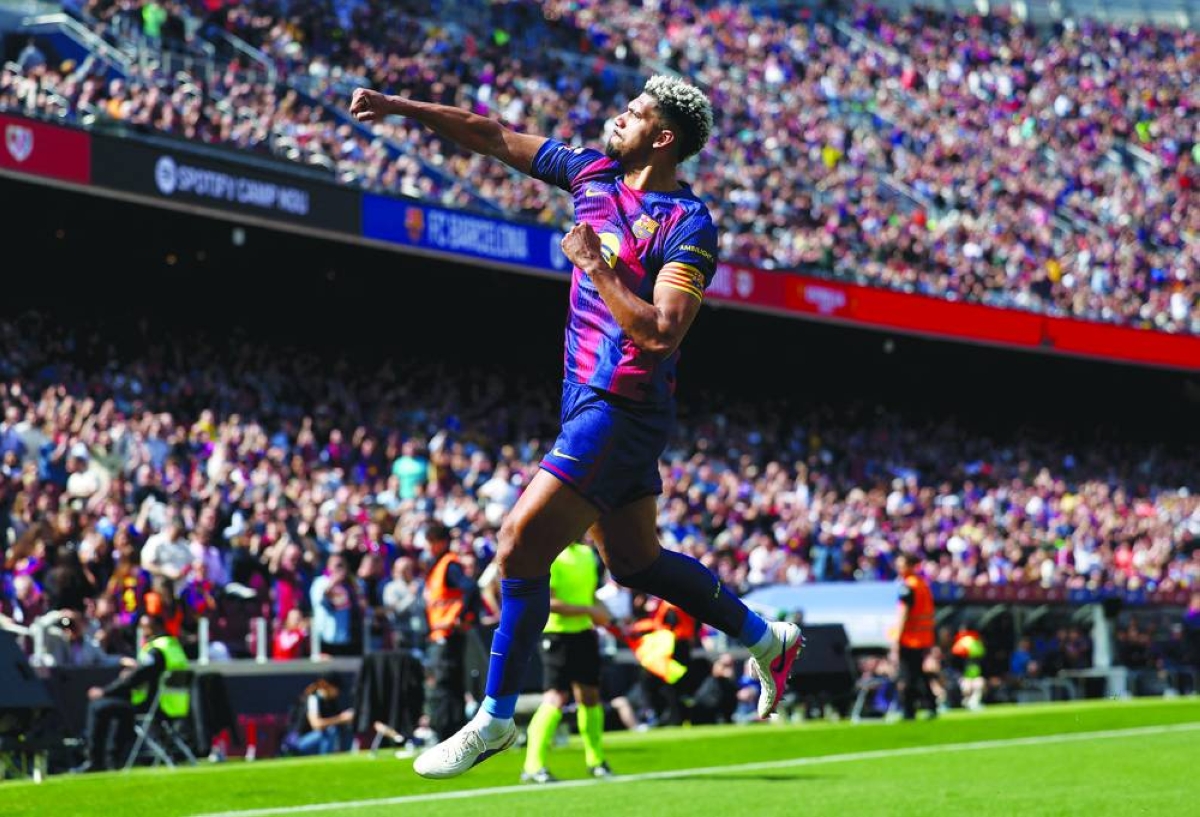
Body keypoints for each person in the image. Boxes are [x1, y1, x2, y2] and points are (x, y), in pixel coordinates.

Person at [351, 73, 804, 780]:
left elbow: (661, 334)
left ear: (663, 137)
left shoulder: (687, 224)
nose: (617, 117)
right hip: (588, 402)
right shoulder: (590, 173)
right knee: (635, 562)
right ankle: (765, 636)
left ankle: (495, 718)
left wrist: (596, 267)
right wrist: (399, 106)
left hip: (621, 405)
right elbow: (492, 135)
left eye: (635, 113)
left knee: (517, 546)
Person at [521, 541, 612, 784]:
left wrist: (605, 613)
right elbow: (548, 601)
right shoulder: (550, 555)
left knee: (590, 696)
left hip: (584, 634)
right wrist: (589, 610)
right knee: (556, 697)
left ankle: (596, 761)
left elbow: (591, 595)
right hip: (556, 636)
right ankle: (533, 765)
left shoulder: (586, 554)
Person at [75, 614, 188, 773]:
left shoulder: (155, 650)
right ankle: (113, 758)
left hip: (154, 705)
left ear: (156, 627)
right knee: (114, 706)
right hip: (176, 705)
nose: (143, 632)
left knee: (99, 706)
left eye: (145, 627)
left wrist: (106, 691)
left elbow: (136, 678)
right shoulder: (173, 646)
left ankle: (95, 760)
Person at [421, 522, 482, 743]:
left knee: (443, 685)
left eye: (431, 542)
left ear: (440, 542)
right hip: (444, 634)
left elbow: (471, 588)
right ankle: (455, 732)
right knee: (452, 684)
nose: (428, 547)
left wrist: (462, 617)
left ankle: (444, 732)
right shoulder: (440, 566)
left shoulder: (448, 565)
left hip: (447, 634)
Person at [892, 554, 937, 720]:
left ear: (911, 566)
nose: (899, 568)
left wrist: (896, 637)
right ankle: (930, 705)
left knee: (907, 675)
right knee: (918, 673)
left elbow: (903, 614)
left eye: (901, 565)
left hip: (909, 638)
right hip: (922, 637)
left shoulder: (908, 587)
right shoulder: (922, 585)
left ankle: (908, 710)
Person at [283, 672, 354, 756]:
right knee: (331, 731)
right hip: (300, 742)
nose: (338, 692)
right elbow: (316, 724)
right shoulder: (313, 699)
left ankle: (346, 756)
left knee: (344, 728)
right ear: (326, 685)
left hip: (318, 741)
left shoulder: (331, 701)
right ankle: (325, 761)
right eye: (336, 688)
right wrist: (341, 719)